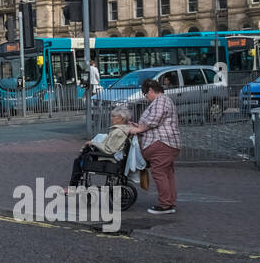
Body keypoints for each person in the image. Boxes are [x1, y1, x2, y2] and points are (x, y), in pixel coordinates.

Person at [128, 78, 180, 214]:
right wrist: (138, 126)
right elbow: (154, 122)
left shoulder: (161, 100)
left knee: (159, 173)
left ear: (151, 90)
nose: (146, 98)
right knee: (167, 174)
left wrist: (139, 129)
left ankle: (165, 205)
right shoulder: (164, 101)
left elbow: (154, 120)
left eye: (146, 94)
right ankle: (170, 202)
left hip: (161, 143)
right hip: (167, 143)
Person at [69, 104, 134, 186]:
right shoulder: (123, 129)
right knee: (82, 157)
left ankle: (72, 186)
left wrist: (94, 143)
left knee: (78, 161)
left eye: (114, 116)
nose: (111, 118)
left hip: (110, 159)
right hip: (113, 157)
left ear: (121, 118)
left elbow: (109, 150)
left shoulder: (118, 132)